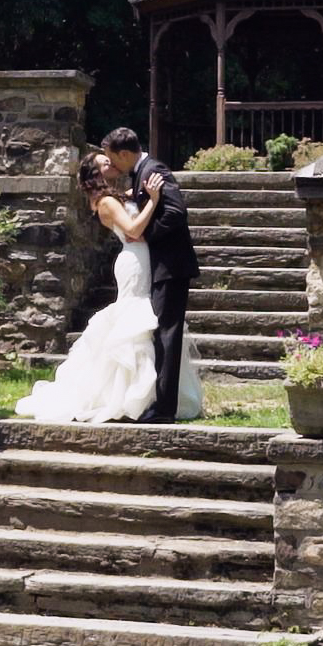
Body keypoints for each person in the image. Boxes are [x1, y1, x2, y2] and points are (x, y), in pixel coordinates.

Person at [14, 151, 203, 423]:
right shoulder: (104, 202)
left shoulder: (115, 196)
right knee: (133, 322)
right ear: (96, 173)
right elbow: (134, 230)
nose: (112, 163)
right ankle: (122, 395)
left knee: (148, 324)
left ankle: (151, 393)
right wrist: (154, 200)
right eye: (105, 162)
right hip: (135, 262)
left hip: (145, 259)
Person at [100, 126, 200, 424]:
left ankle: (165, 409)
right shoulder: (140, 173)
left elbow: (175, 212)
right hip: (159, 267)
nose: (113, 165)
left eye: (113, 159)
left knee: (167, 334)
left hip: (171, 266)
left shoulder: (154, 170)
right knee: (159, 333)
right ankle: (158, 400)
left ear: (125, 154)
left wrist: (147, 237)